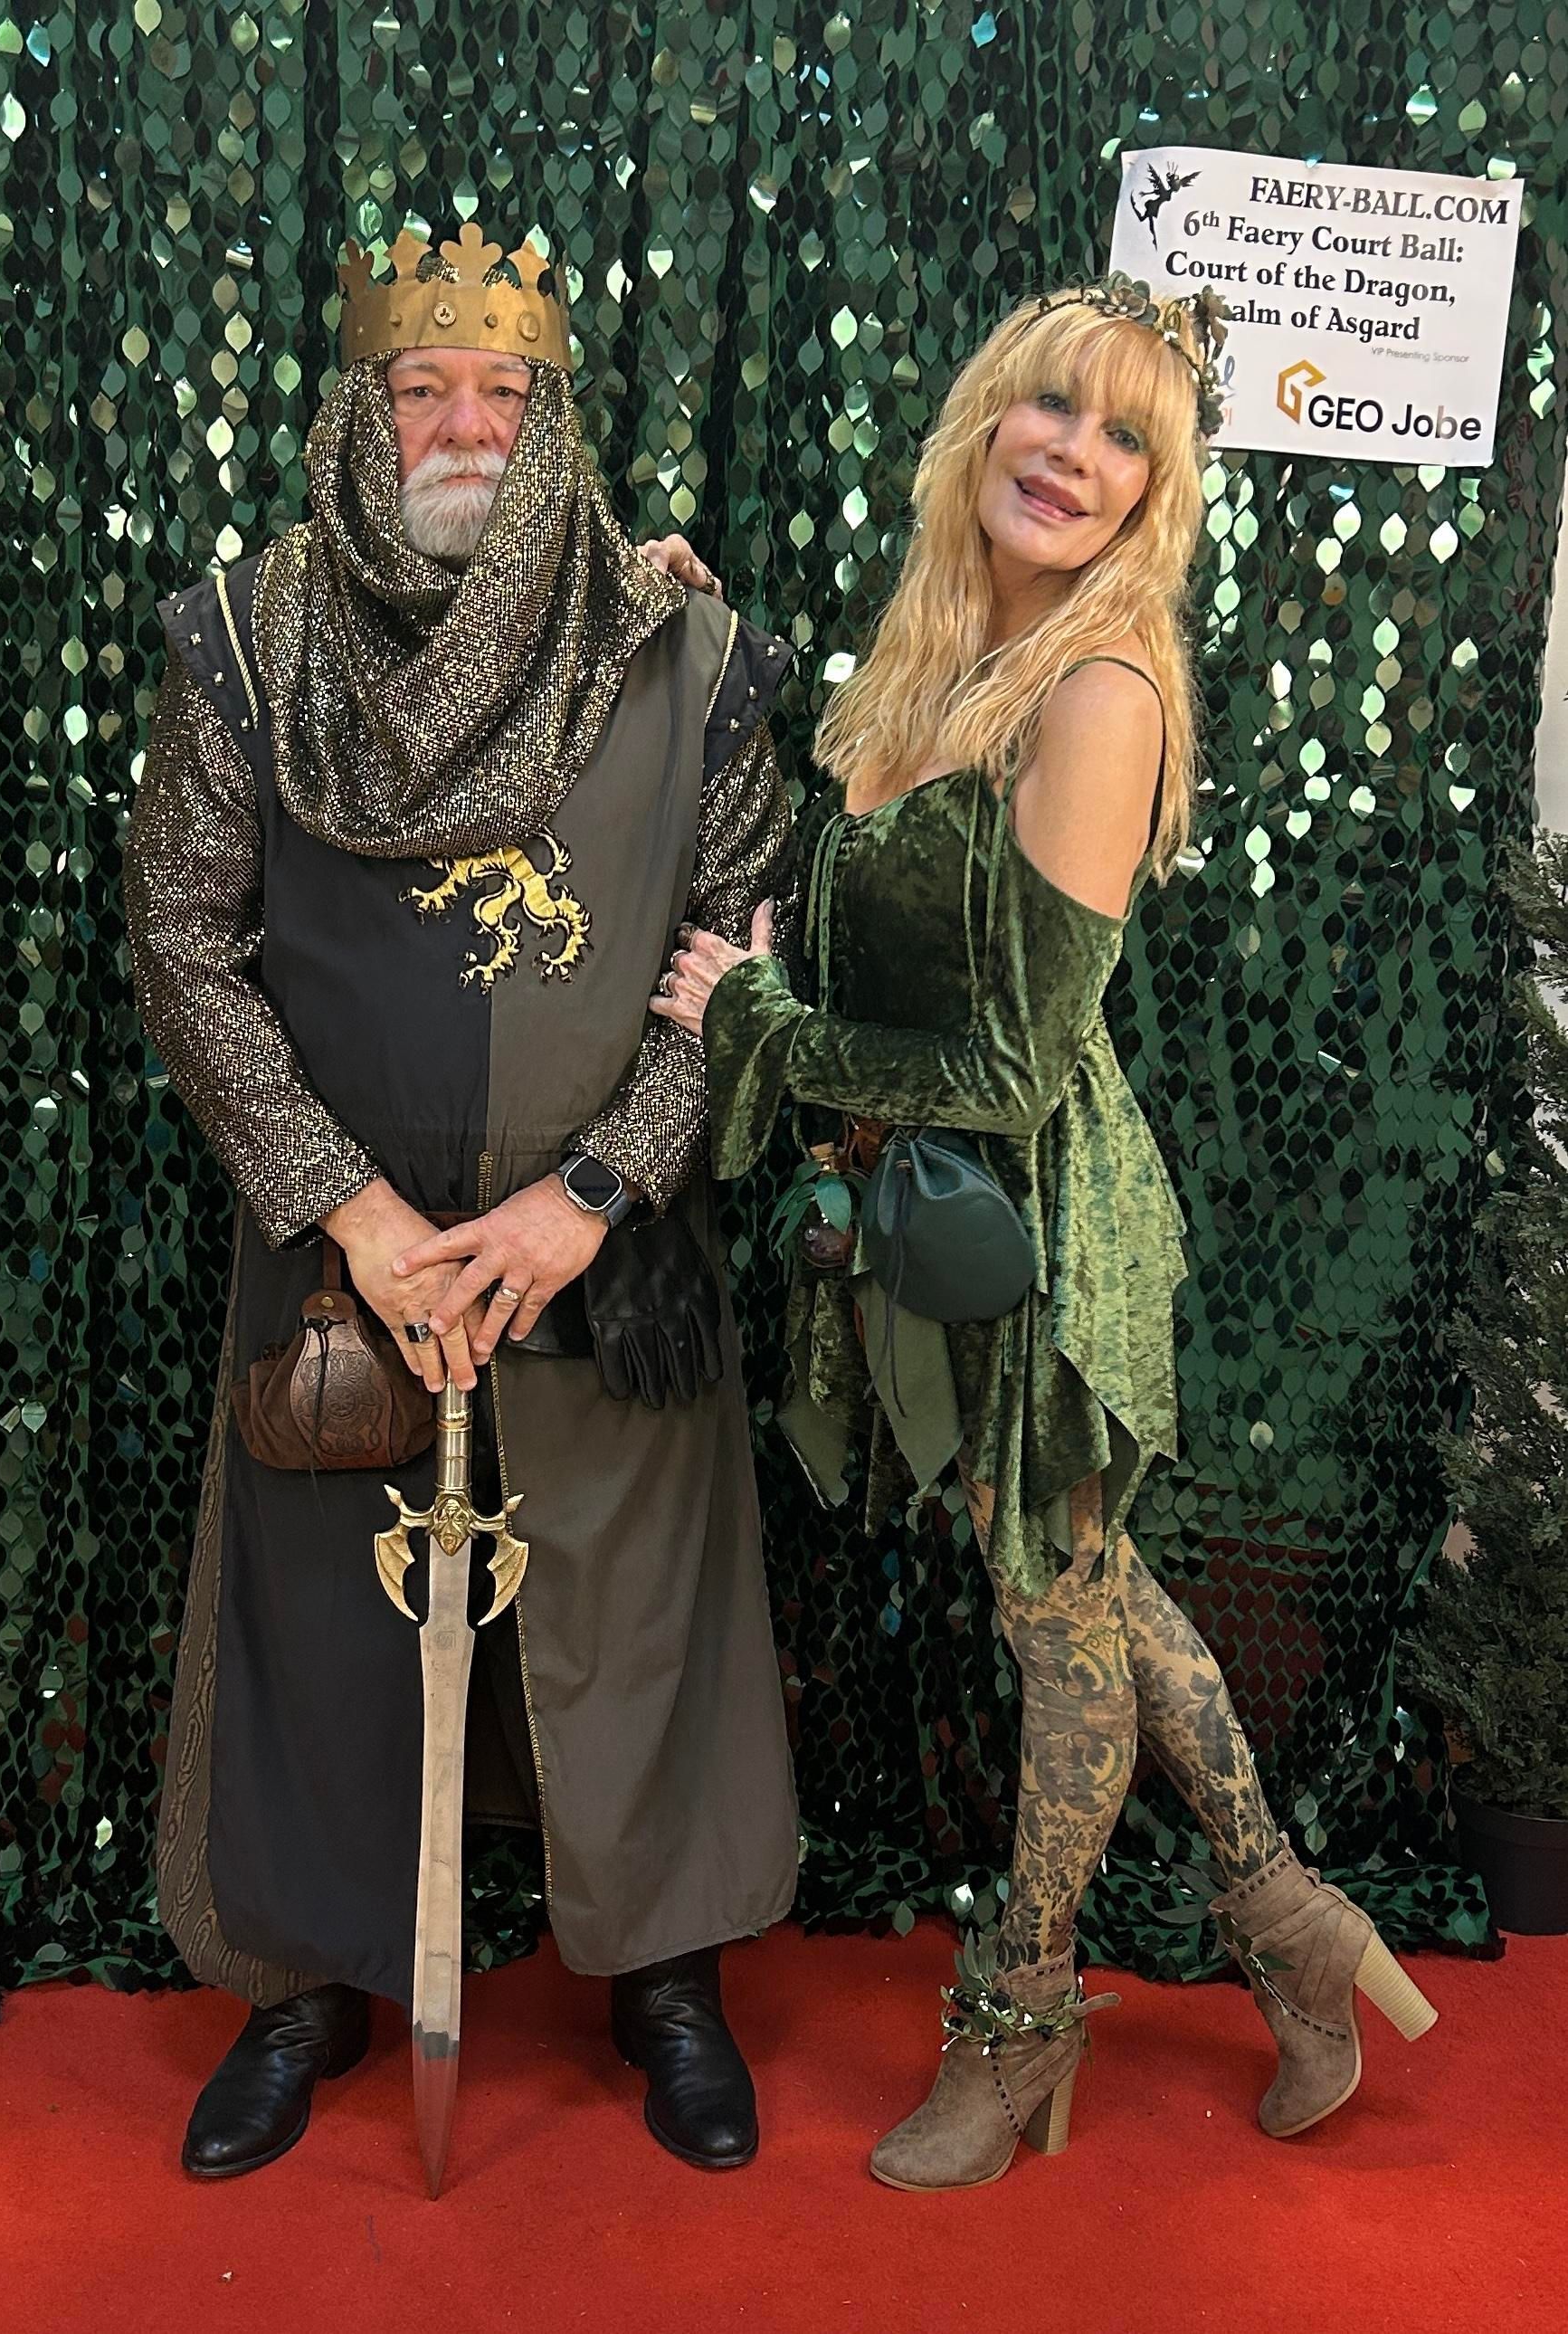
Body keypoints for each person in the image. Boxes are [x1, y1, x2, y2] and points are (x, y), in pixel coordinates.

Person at [649, 277, 1440, 2192]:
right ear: (988, 418)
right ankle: (1292, 1925)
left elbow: (1007, 1065)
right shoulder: (938, 657)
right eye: (1054, 411)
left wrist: (754, 1031)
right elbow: (885, 886)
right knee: (1086, 1594)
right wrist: (702, 630)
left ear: (1154, 493)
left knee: (1058, 1621)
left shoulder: (1101, 687)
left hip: (1033, 1229)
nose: (1074, 456)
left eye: (1126, 439)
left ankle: (1019, 2025)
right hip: (934, 1220)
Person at [125, 218, 799, 2181]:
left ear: (555, 410)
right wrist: (345, 1206)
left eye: (505, 388)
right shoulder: (247, 641)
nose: (466, 420)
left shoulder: (686, 654)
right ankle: (305, 1982)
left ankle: (667, 1978)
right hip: (354, 1256)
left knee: (634, 1618)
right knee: (324, 1627)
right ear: (364, 404)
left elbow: (735, 960)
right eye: (426, 384)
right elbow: (183, 938)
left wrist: (593, 1194)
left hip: (595, 1236)